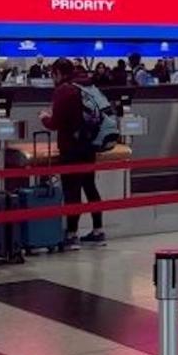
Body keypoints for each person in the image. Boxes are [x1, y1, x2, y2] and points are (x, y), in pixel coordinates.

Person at [39, 58, 115, 249]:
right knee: (90, 186)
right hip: (89, 145)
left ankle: (72, 235)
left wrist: (44, 118)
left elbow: (56, 123)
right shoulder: (87, 85)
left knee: (71, 191)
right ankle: (98, 231)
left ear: (57, 72)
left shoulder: (63, 91)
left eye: (52, 74)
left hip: (71, 147)